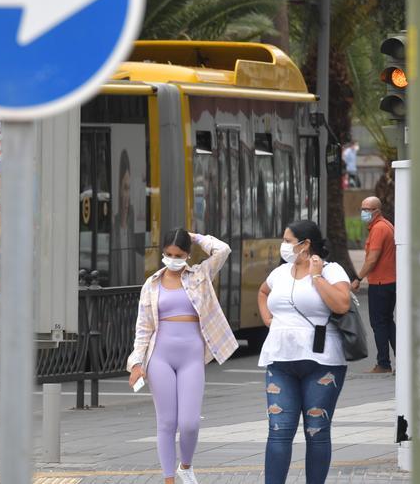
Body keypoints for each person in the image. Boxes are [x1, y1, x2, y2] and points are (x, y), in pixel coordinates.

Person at [127, 229, 238, 484]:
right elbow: (143, 328)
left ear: (188, 255)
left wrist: (197, 237)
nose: (173, 259)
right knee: (166, 422)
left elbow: (223, 250)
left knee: (189, 423)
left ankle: (185, 466)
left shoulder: (200, 274)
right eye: (167, 254)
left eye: (178, 254)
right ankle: (169, 478)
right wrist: (136, 363)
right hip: (160, 356)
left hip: (192, 356)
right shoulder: (152, 284)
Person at [257, 220, 351, 484]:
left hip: (322, 362)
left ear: (305, 244)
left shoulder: (332, 270)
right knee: (278, 431)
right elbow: (263, 293)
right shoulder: (280, 273)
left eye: (288, 240)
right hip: (280, 359)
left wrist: (317, 276)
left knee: (316, 431)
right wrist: (268, 320)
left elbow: (342, 304)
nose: (284, 245)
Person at [352, 196, 396, 374]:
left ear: (377, 211)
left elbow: (372, 259)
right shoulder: (386, 225)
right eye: (362, 208)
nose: (364, 212)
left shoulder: (379, 229)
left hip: (380, 282)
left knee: (378, 323)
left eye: (367, 209)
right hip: (389, 281)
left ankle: (383, 364)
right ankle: (399, 360)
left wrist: (358, 278)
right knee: (387, 322)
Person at [111, 149, 137, 286]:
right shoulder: (113, 227)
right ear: (119, 190)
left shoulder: (132, 225)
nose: (127, 196)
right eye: (125, 188)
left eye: (129, 189)